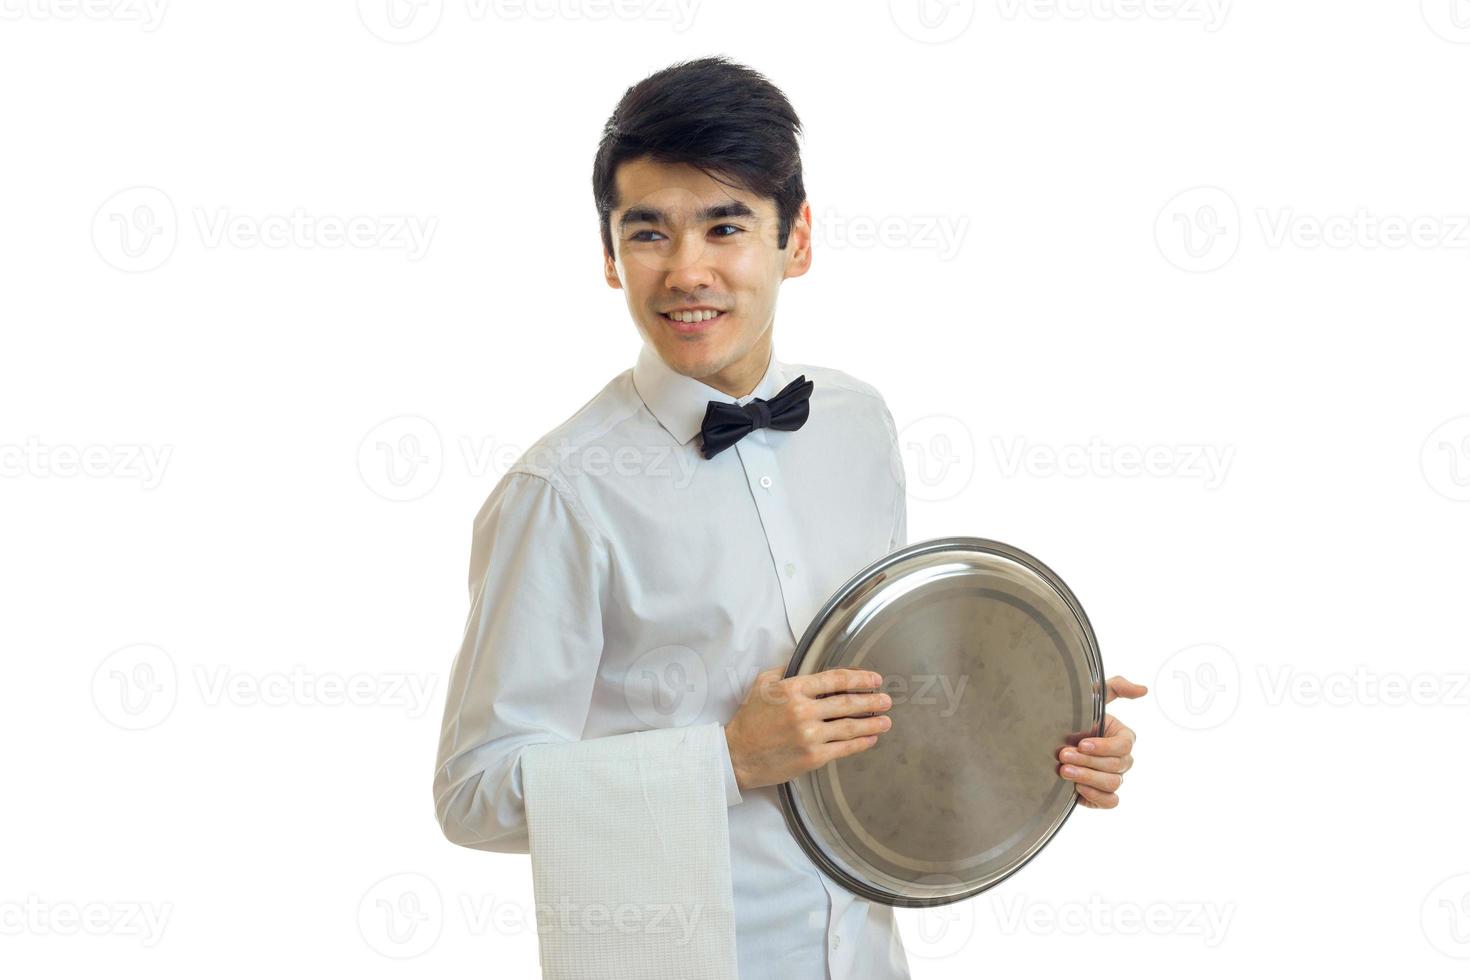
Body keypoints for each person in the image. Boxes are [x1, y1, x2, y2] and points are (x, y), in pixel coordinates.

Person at [432, 54, 1147, 979]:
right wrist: (724, 760)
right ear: (610, 258)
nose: (687, 272)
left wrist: (1050, 731)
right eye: (648, 232)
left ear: (796, 239)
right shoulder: (561, 492)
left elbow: (890, 688)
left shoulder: (858, 424)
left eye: (725, 226)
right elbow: (472, 793)